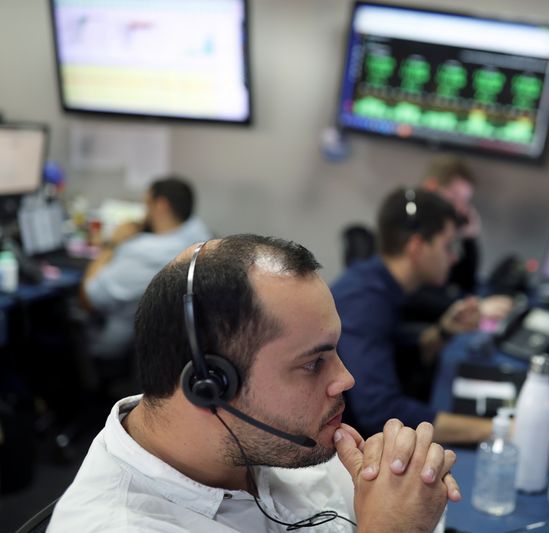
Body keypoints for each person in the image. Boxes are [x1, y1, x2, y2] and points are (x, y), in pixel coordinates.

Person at [50, 234, 461, 532]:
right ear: (209, 385)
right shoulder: (114, 524)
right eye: (314, 363)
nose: (346, 379)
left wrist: (400, 493)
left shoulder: (269, 438)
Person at [332, 188, 496, 443]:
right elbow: (381, 414)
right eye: (448, 245)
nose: (454, 257)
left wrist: (445, 331)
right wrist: (502, 430)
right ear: (417, 247)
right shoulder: (364, 303)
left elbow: (399, 353)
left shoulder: (380, 284)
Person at [80, 176, 212, 360]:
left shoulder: (142, 253)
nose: (144, 212)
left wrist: (111, 244)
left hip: (117, 342)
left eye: (147, 204)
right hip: (175, 345)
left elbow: (89, 298)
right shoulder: (200, 236)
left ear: (161, 205)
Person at [405, 155, 512, 325]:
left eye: (465, 201)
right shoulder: (409, 227)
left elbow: (464, 285)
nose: (461, 209)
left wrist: (470, 238)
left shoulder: (438, 231)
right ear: (431, 188)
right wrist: (476, 309)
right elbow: (411, 296)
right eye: (455, 198)